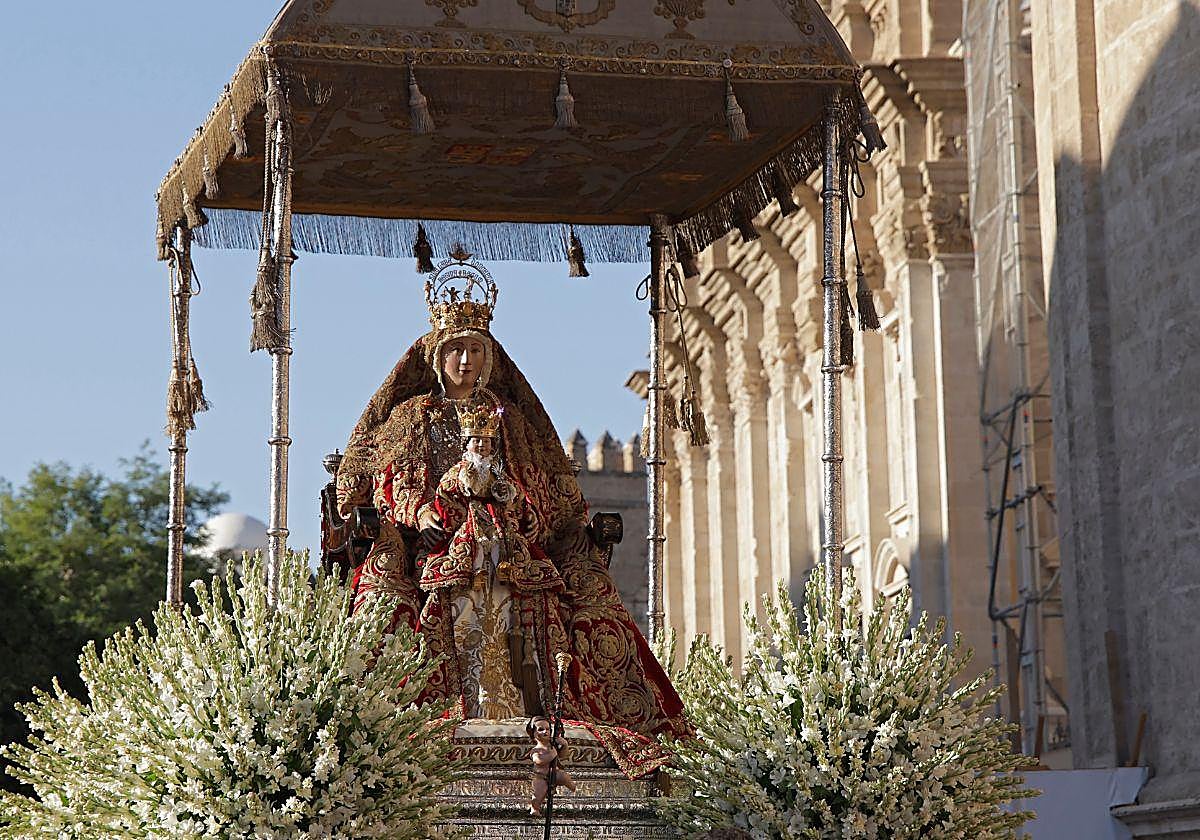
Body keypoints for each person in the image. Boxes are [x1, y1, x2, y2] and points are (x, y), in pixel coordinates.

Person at [335, 250, 686, 778]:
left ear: (490, 356)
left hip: (509, 543)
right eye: (455, 350)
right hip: (433, 543)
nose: (465, 362)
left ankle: (539, 707)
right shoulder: (412, 417)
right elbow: (389, 479)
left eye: (475, 350)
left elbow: (544, 490)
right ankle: (409, 715)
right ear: (435, 356)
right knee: (396, 596)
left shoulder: (514, 422)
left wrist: (513, 504)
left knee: (552, 591)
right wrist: (420, 511)